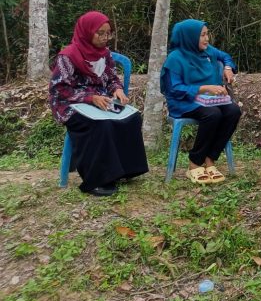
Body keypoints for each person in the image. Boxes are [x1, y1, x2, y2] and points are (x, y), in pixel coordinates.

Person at [49, 11, 148, 196]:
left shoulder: (105, 54)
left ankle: (126, 170)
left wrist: (117, 89)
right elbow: (60, 88)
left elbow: (111, 78)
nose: (105, 38)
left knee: (132, 118)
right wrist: (90, 98)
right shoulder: (68, 56)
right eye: (100, 33)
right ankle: (96, 180)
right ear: (86, 32)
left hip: (100, 100)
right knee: (99, 125)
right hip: (69, 104)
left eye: (108, 33)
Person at [161, 19, 241, 184]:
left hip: (209, 100)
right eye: (202, 35)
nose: (207, 39)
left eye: (207, 34)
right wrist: (204, 88)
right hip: (183, 102)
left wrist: (227, 67)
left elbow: (225, 56)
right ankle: (194, 163)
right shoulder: (175, 58)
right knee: (213, 114)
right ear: (190, 38)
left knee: (233, 111)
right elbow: (174, 89)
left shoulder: (208, 51)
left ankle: (210, 159)